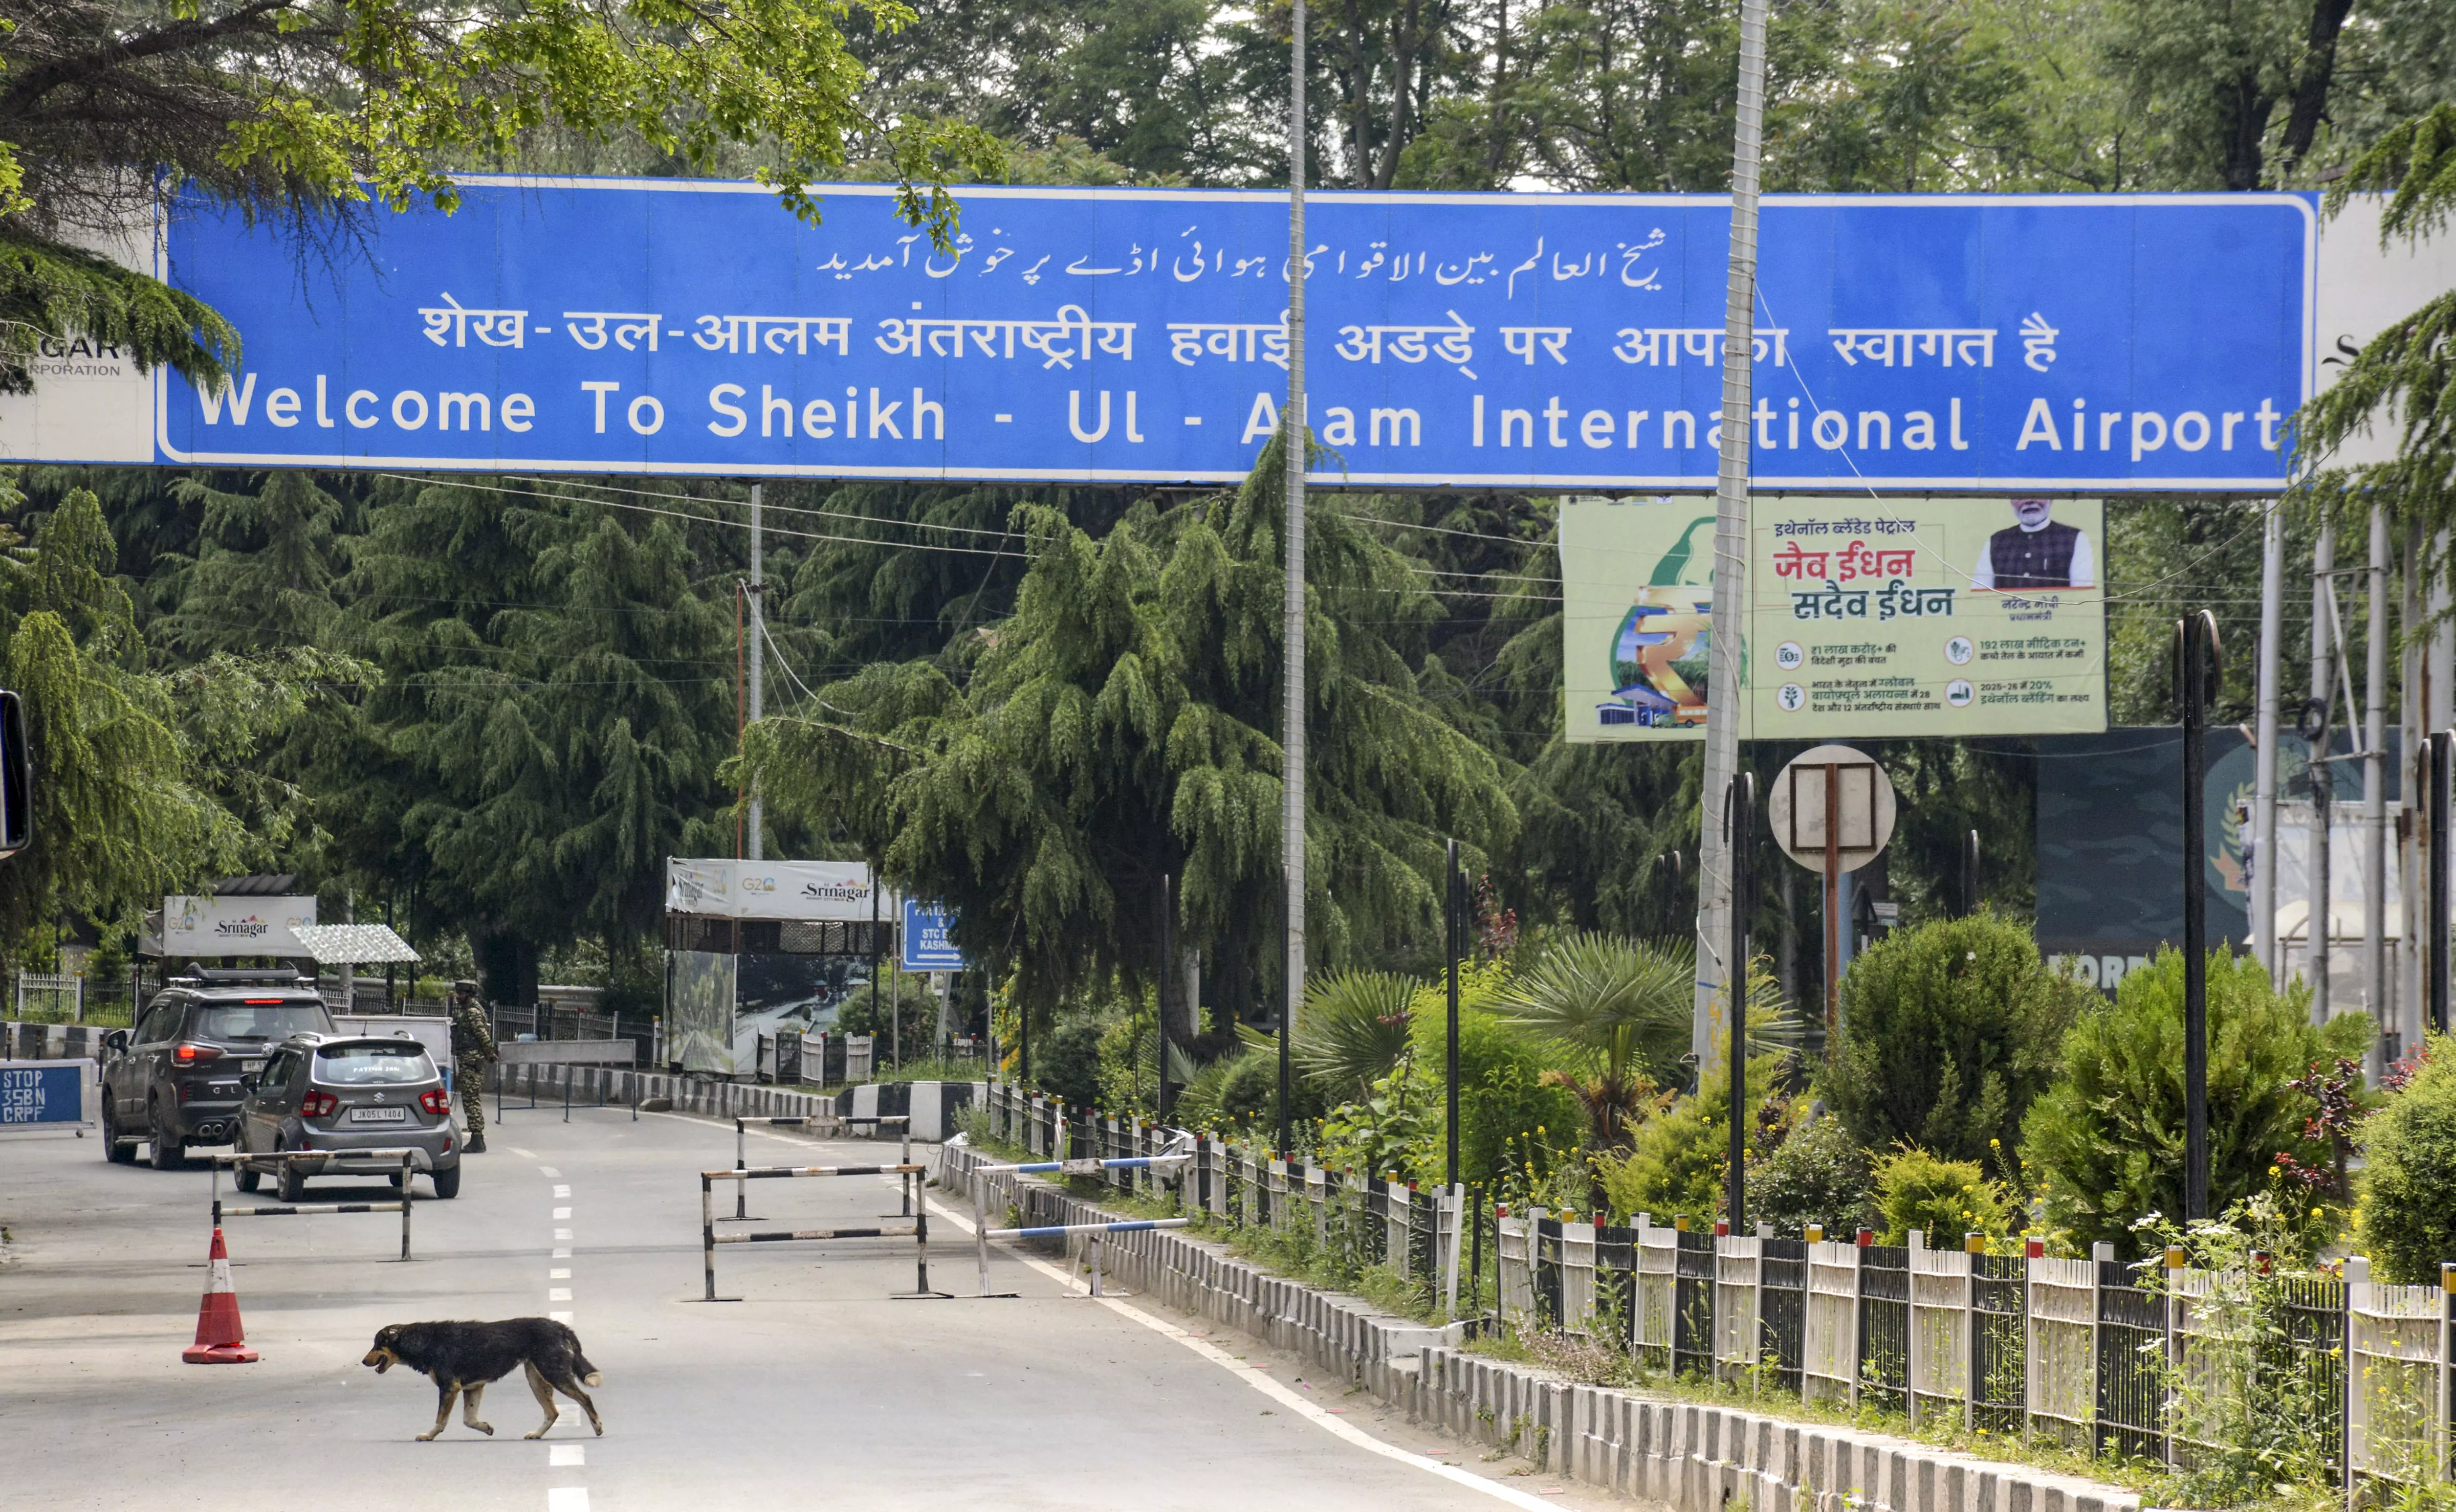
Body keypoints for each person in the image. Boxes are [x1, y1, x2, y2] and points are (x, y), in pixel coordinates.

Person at [1972, 497, 2096, 590]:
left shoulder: (2075, 538)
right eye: (2020, 496)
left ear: (2051, 499)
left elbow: (2082, 596)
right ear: (2011, 501)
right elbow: (1981, 595)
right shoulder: (1996, 541)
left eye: (2037, 493)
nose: (2029, 501)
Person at [448, 980, 499, 1153]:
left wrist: (490, 1053)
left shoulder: (472, 1012)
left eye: (461, 994)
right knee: (470, 1099)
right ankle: (477, 1138)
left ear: (469, 995)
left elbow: (482, 1034)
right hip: (468, 1060)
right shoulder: (470, 1011)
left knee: (471, 1100)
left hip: (471, 1061)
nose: (458, 997)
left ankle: (477, 1139)